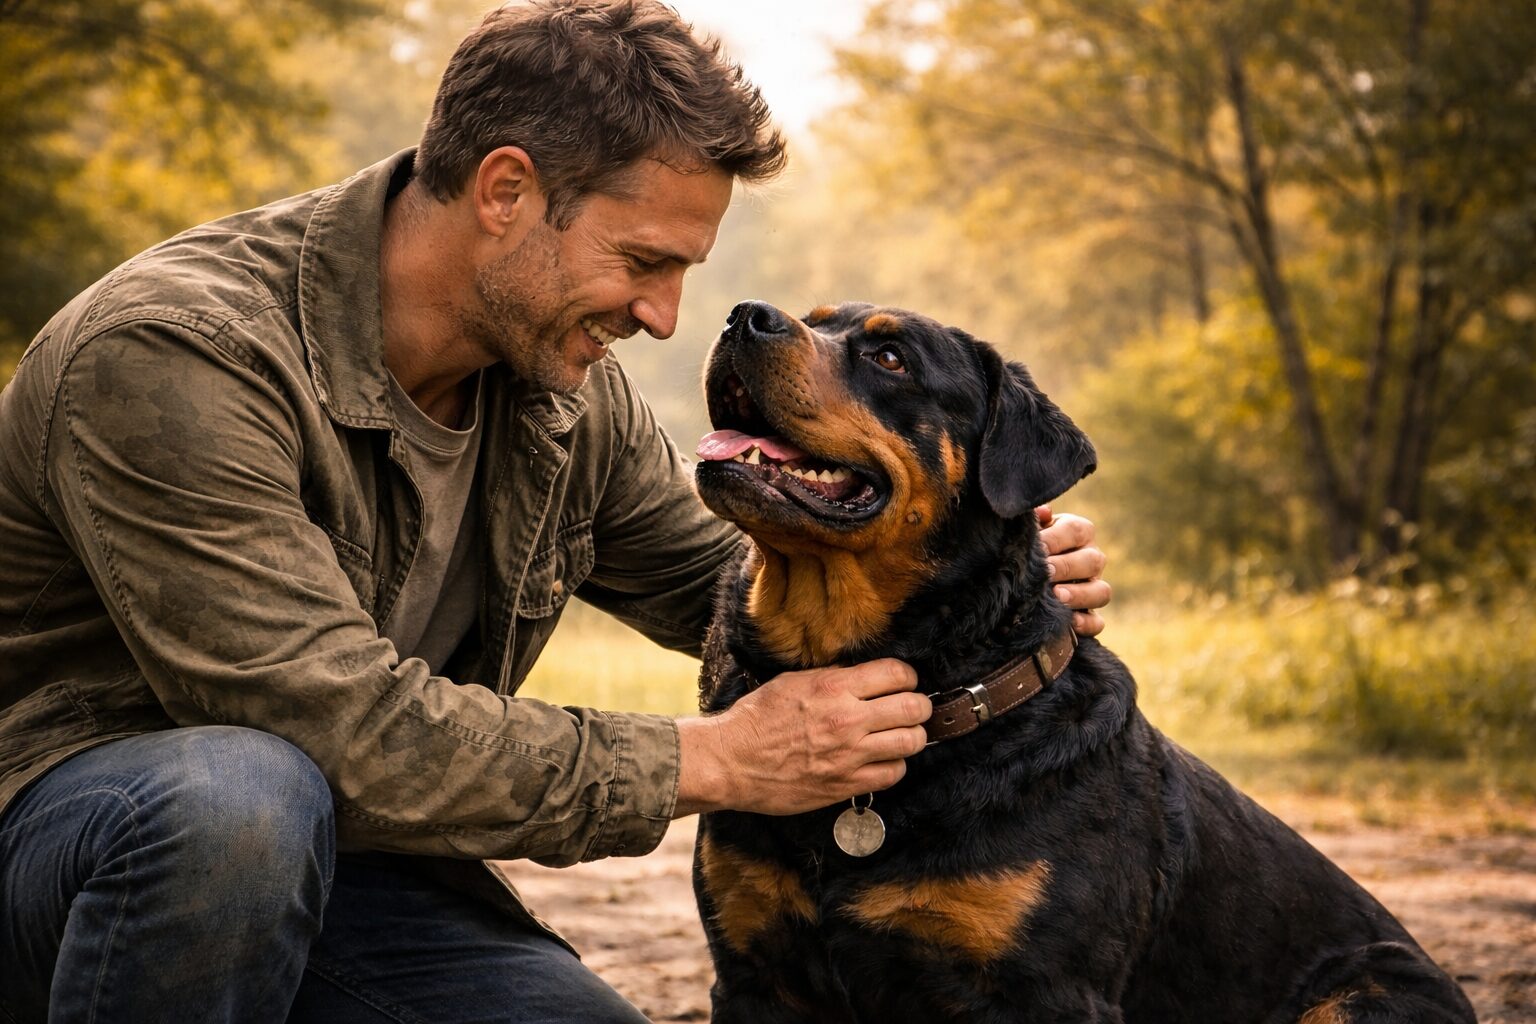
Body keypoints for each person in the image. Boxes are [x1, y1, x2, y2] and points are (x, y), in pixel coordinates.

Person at [0, 1, 1110, 1020]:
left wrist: (982, 579)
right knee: (238, 798)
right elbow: (333, 725)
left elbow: (711, 585)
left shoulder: (557, 388)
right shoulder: (176, 356)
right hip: (79, 852)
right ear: (505, 192)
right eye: (642, 260)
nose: (665, 316)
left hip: (347, 864)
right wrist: (711, 759)